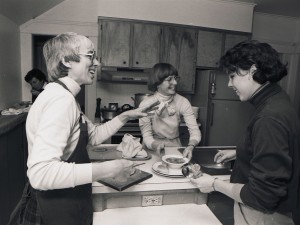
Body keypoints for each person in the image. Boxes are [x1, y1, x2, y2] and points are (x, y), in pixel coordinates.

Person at [8, 32, 157, 225]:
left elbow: (93, 136)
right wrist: (110, 168)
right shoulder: (61, 100)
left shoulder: (64, 96)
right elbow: (41, 173)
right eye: (90, 55)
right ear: (67, 61)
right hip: (56, 208)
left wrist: (125, 115)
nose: (97, 63)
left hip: (66, 202)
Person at [189, 40, 300, 225]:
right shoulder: (276, 100)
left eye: (233, 76)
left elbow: (262, 196)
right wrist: (240, 151)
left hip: (263, 216)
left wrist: (214, 184)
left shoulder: (269, 117)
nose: (230, 84)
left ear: (252, 70)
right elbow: (275, 150)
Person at [139, 63, 201, 160]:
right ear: (157, 82)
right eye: (169, 79)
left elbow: (194, 130)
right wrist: (155, 145)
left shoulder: (182, 102)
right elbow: (146, 134)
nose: (175, 83)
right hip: (152, 147)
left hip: (175, 146)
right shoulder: (146, 104)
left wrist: (191, 146)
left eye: (175, 78)